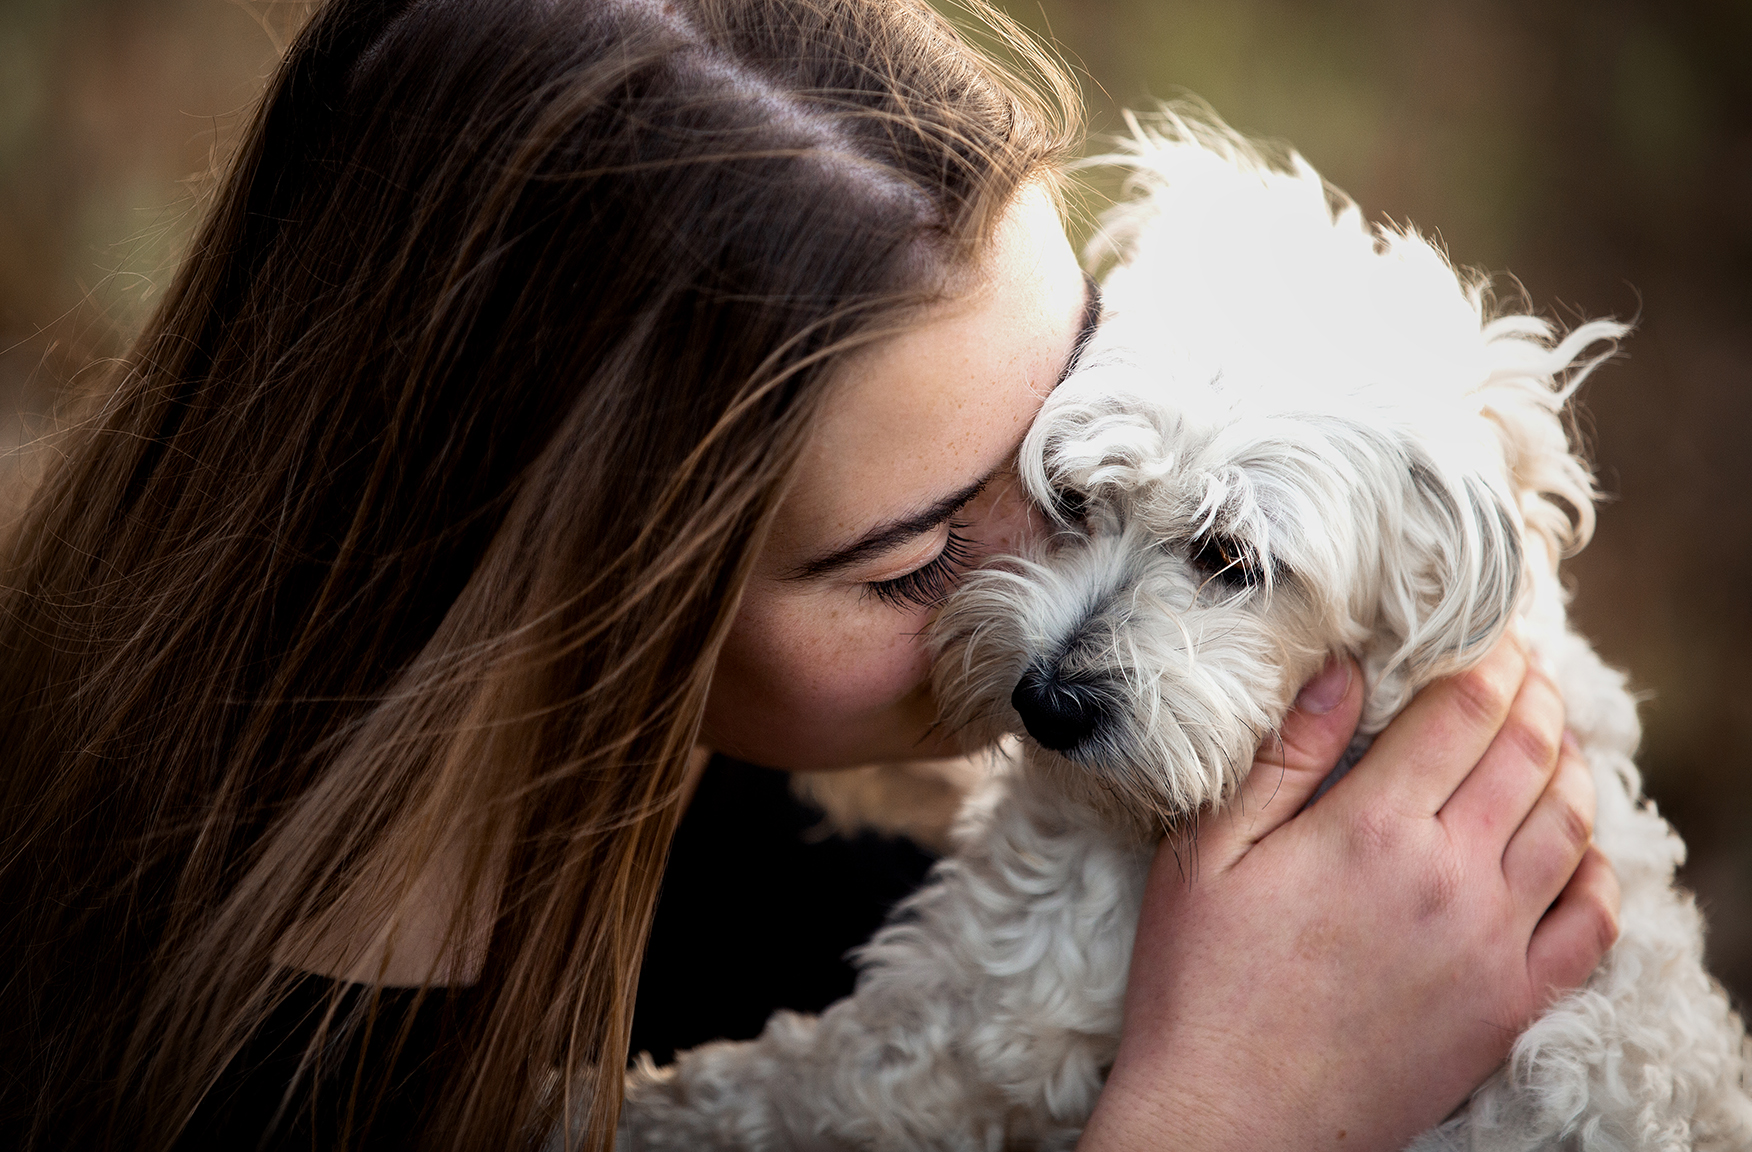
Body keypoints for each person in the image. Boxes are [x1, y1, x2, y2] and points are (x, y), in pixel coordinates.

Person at [0, 0, 1619, 1149]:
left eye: (1061, 449)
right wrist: (1223, 1114)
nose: (1037, 599)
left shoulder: (832, 855)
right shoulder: (237, 1098)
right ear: (580, 590)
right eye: (918, 561)